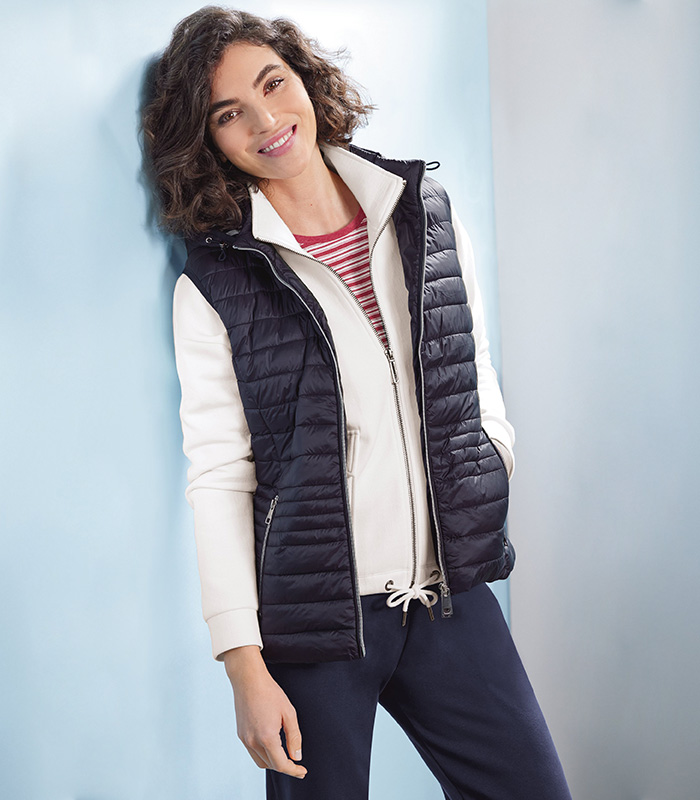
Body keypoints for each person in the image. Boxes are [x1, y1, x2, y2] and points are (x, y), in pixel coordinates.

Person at [142, 6, 573, 799]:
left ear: (307, 78)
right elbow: (219, 477)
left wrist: (489, 469)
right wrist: (245, 664)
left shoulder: (421, 210)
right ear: (208, 143)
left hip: (451, 597)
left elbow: (474, 374)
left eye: (274, 84)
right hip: (316, 626)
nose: (267, 121)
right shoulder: (216, 284)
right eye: (229, 115)